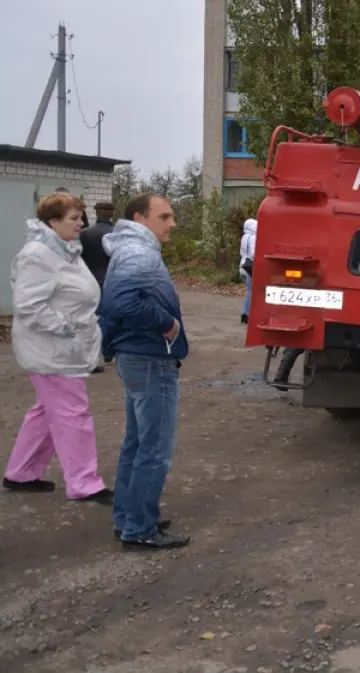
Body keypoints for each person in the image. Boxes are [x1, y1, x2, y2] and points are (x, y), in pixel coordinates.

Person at [4, 192, 113, 504]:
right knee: (72, 414)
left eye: (81, 217)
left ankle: (21, 472)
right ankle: (84, 482)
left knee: (45, 412)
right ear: (52, 221)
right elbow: (28, 306)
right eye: (73, 218)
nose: (81, 223)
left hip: (62, 349)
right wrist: (67, 328)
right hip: (51, 351)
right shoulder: (38, 254)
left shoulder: (65, 250)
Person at [100, 193, 190, 550]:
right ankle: (139, 528)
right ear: (140, 218)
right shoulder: (140, 252)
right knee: (154, 448)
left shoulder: (129, 249)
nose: (172, 223)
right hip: (150, 358)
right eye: (164, 216)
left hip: (137, 356)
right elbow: (119, 303)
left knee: (136, 443)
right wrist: (165, 321)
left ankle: (128, 517)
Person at [80, 201, 117, 372]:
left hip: (88, 280)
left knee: (89, 318)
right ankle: (107, 351)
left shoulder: (84, 234)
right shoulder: (116, 233)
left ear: (95, 212)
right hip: (110, 280)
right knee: (108, 317)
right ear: (111, 213)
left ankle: (89, 355)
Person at [239, 217, 257, 324]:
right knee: (252, 291)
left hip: (242, 265)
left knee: (249, 291)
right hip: (250, 266)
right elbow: (253, 253)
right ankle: (247, 314)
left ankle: (246, 313)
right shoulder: (253, 238)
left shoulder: (244, 237)